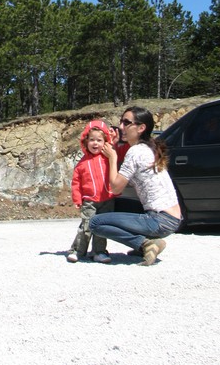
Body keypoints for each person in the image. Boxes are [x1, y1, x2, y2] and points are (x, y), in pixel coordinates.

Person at [90, 106, 183, 266]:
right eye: (121, 122)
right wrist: (113, 146)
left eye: (127, 123)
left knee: (95, 222)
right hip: (172, 217)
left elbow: (116, 187)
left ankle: (145, 244)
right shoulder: (147, 148)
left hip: (160, 219)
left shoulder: (136, 152)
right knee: (113, 204)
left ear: (141, 128)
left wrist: (112, 158)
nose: (121, 127)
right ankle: (147, 242)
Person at [67, 120, 117, 264]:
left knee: (102, 228)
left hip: (107, 199)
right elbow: (76, 183)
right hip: (89, 201)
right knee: (86, 227)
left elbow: (115, 149)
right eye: (92, 140)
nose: (95, 143)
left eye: (99, 140)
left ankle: (99, 252)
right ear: (86, 141)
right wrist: (77, 199)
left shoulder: (107, 158)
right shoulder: (82, 163)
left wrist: (113, 139)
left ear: (105, 142)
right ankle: (77, 251)